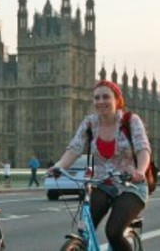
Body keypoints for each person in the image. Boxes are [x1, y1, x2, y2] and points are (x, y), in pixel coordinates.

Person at [48, 80, 151, 251]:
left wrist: (140, 171)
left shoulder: (130, 121)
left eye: (105, 97)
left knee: (113, 232)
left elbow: (143, 149)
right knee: (85, 230)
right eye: (96, 98)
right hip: (102, 184)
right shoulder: (90, 123)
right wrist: (58, 166)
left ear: (117, 100)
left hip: (130, 185)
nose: (100, 101)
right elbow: (74, 149)